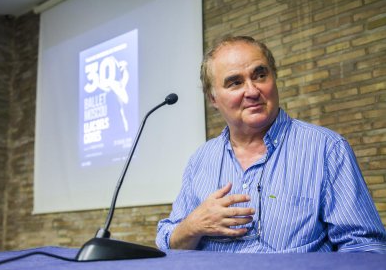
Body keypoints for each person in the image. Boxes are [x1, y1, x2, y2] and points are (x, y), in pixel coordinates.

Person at [156, 35, 386, 253]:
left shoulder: (327, 149)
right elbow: (169, 242)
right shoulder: (200, 160)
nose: (252, 91)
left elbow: (365, 247)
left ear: (274, 78)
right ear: (213, 98)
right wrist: (192, 225)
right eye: (235, 82)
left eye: (260, 75)